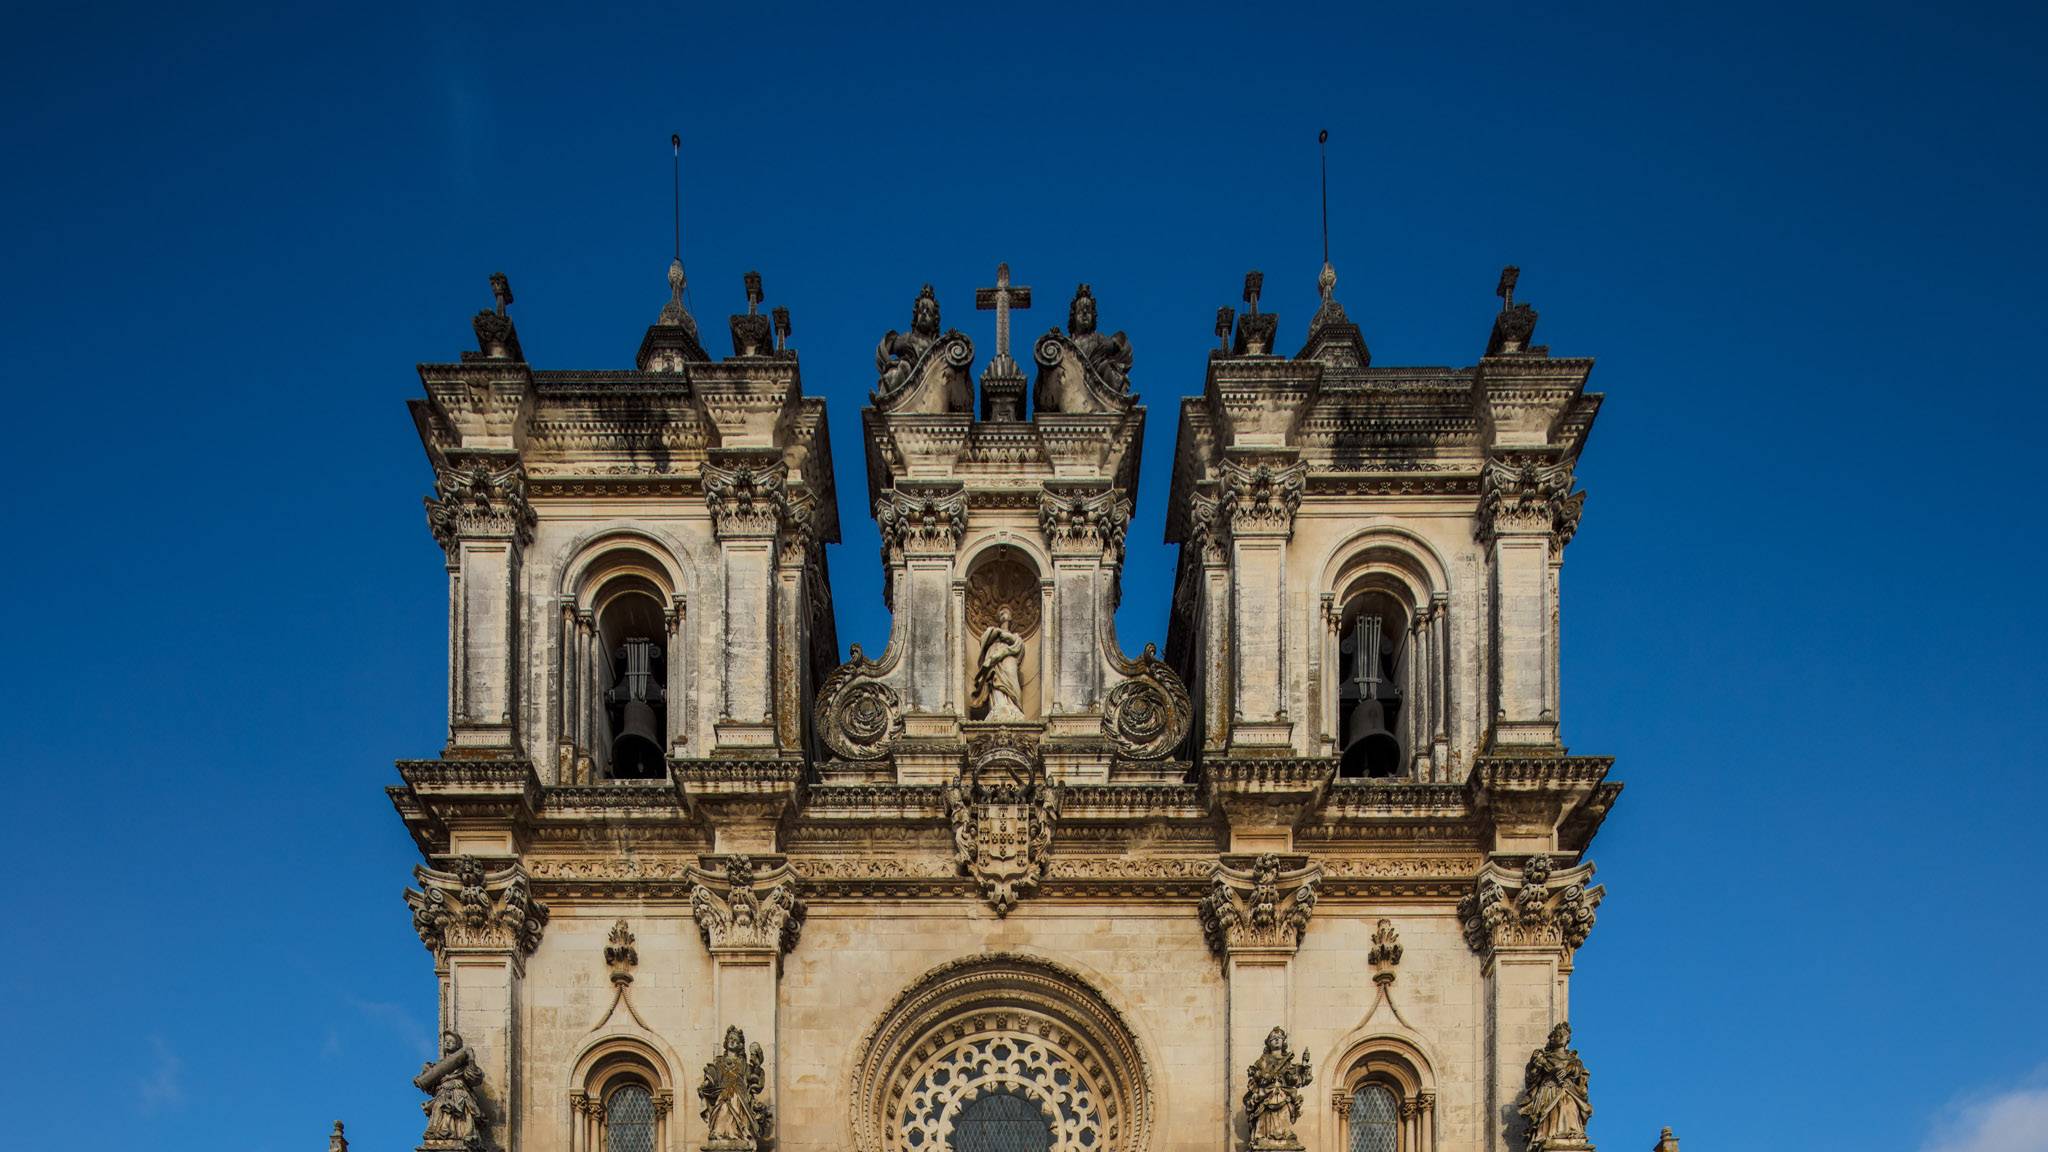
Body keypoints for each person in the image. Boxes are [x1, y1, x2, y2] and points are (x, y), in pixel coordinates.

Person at [970, 607, 1026, 721]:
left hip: (1008, 658)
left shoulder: (1015, 636)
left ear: (1011, 618)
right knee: (994, 681)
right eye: (1001, 613)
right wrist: (997, 633)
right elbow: (983, 640)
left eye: (1006, 612)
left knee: (1012, 680)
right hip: (994, 658)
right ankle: (998, 706)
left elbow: (1019, 646)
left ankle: (1012, 706)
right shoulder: (993, 631)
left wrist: (1008, 637)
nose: (1003, 614)